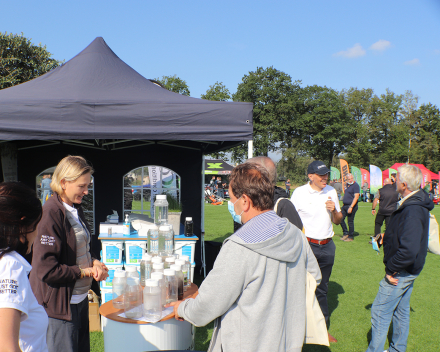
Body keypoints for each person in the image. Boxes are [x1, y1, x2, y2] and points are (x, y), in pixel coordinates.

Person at [170, 162, 321, 352]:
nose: (231, 205)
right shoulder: (295, 233)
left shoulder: (239, 246)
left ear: (245, 201)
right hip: (288, 341)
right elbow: (313, 277)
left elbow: (207, 305)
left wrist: (182, 308)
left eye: (232, 200)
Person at [30, 156, 108, 352]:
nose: (86, 191)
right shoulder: (50, 214)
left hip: (79, 300)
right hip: (59, 308)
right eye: (82, 186)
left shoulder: (74, 209)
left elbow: (80, 247)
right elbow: (46, 269)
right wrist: (85, 272)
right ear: (64, 183)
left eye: (87, 185)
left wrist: (95, 262)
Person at [366, 165, 434, 352]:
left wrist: (390, 269)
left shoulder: (412, 209)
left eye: (396, 179)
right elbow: (404, 233)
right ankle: (397, 349)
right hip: (409, 268)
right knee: (401, 311)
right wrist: (386, 237)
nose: (393, 181)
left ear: (403, 184)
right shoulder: (412, 202)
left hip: (402, 270)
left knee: (380, 311)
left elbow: (409, 249)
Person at [291, 160, 343, 343]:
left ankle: (322, 330)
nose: (325, 178)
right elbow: (290, 220)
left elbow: (338, 220)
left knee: (322, 288)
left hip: (327, 245)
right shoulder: (299, 193)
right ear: (310, 176)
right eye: (321, 175)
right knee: (300, 288)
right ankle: (296, 330)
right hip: (307, 245)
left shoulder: (331, 191)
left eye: (326, 174)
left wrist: (335, 210)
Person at [0, 182, 48, 352]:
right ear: (22, 226)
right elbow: (7, 347)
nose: (37, 235)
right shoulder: (10, 266)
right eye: (37, 225)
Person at [247, 156, 303, 231]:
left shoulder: (283, 206)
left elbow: (295, 240)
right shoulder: (247, 203)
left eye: (245, 175)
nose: (240, 180)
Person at [340, 173, 360, 242]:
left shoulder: (356, 185)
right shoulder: (347, 185)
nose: (350, 180)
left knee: (350, 221)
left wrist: (351, 207)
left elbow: (356, 197)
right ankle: (345, 233)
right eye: (349, 179)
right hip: (345, 206)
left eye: (351, 178)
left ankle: (350, 237)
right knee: (340, 219)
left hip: (351, 206)